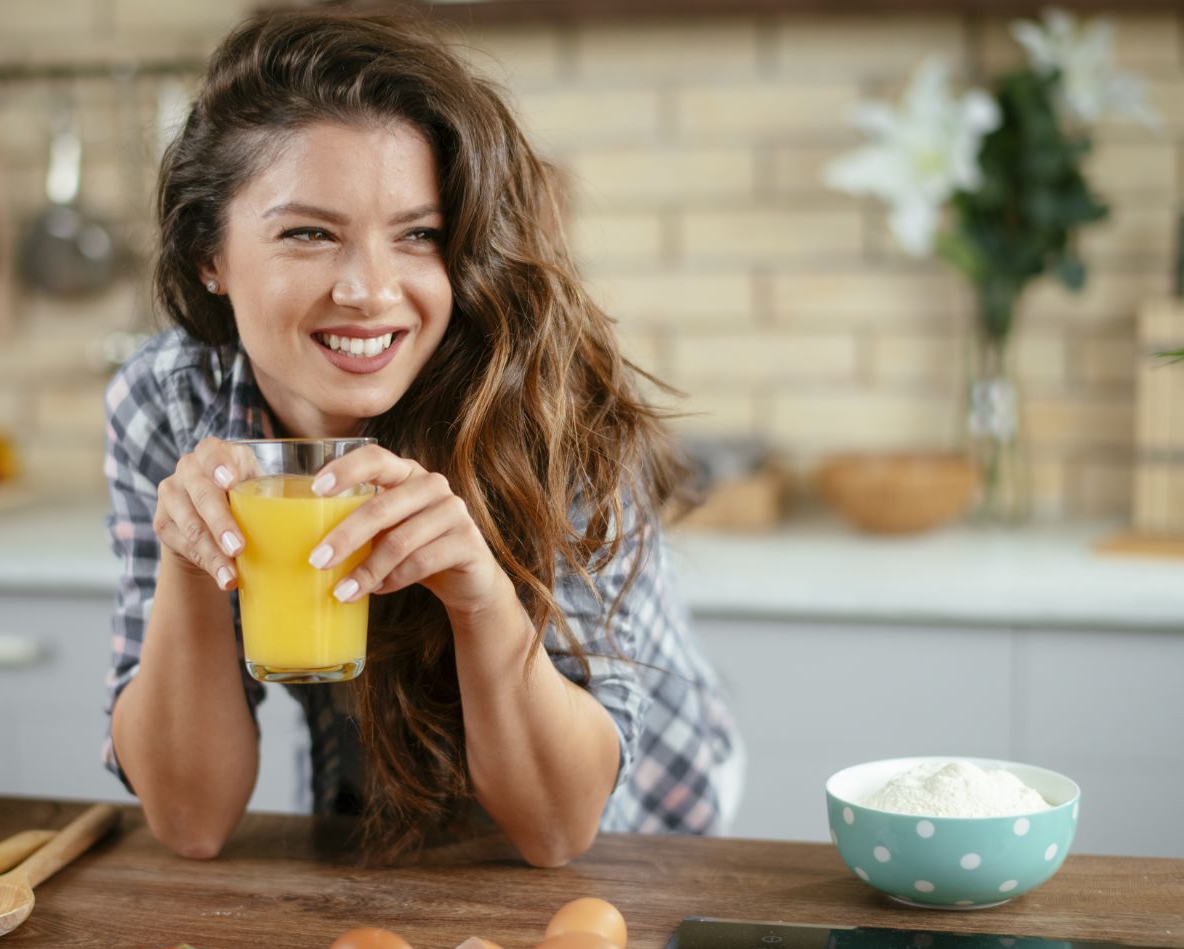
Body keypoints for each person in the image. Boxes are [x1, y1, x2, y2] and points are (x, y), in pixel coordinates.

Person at [103, 10, 742, 867]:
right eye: (309, 233)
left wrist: (480, 595)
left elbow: (559, 832)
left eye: (419, 235)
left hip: (635, 838)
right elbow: (190, 821)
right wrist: (188, 560)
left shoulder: (545, 404)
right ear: (207, 253)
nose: (371, 291)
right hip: (393, 827)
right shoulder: (171, 403)